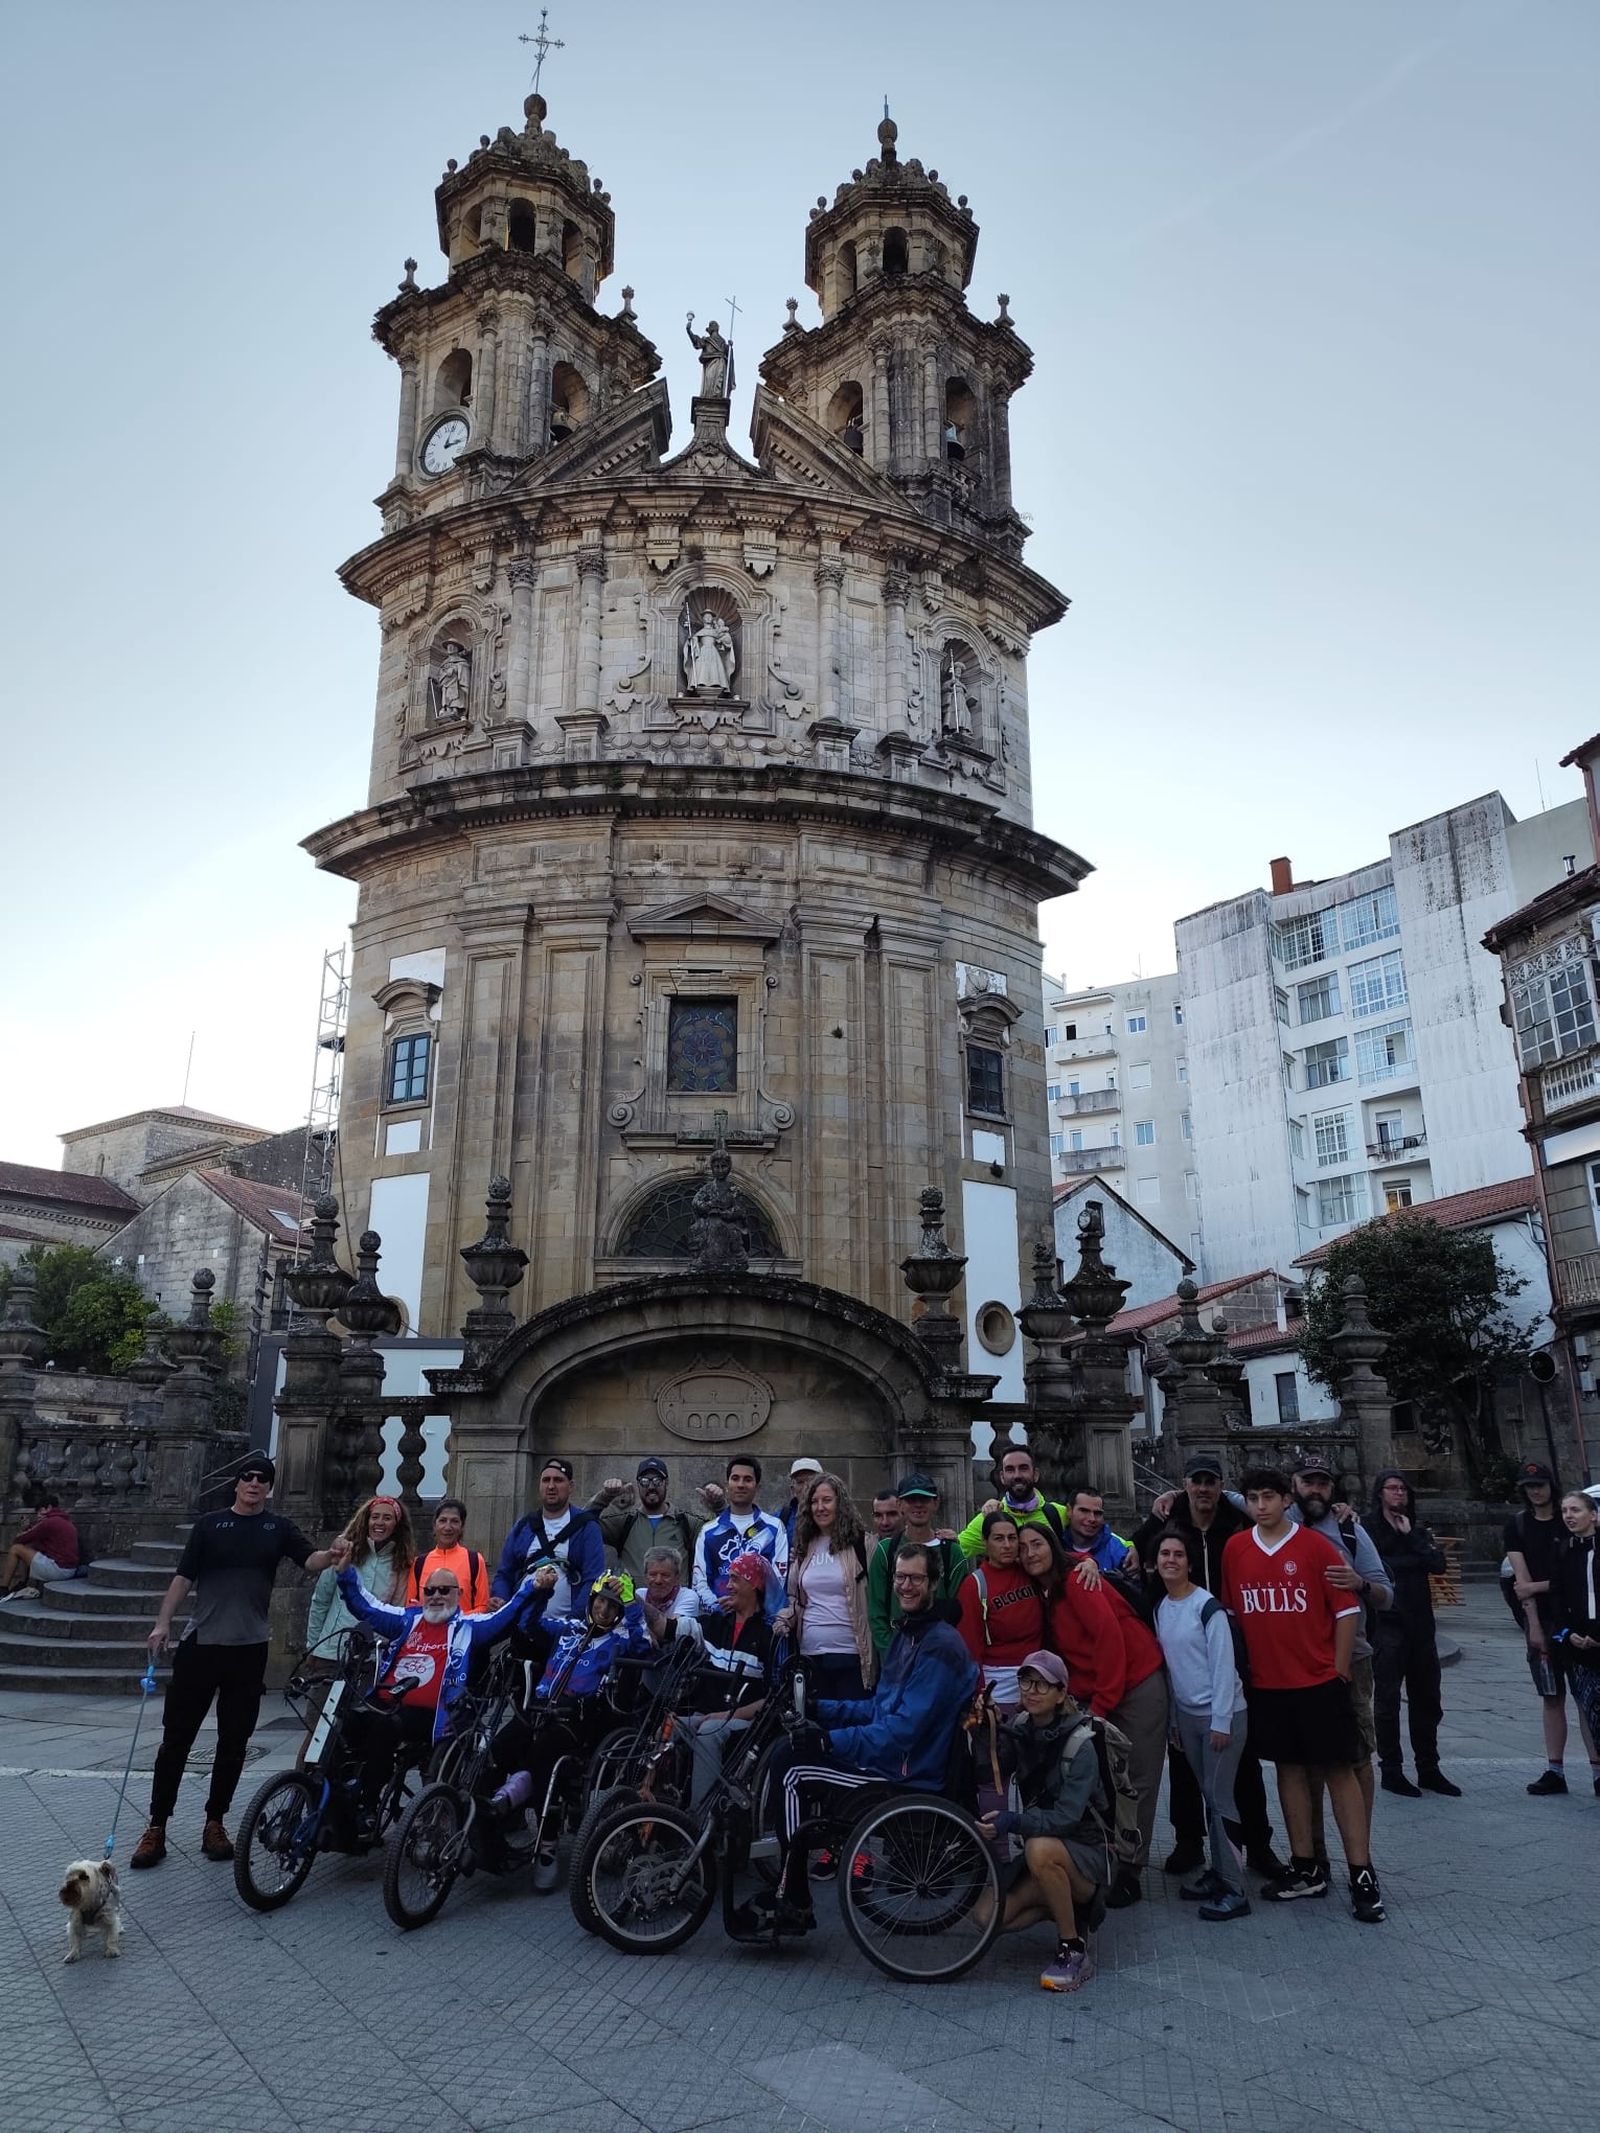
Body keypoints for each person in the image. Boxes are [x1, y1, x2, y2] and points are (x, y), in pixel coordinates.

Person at [732, 1540, 979, 1939]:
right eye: (900, 1577)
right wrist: (819, 1708)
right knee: (792, 1752)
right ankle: (796, 1879)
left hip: (908, 1772)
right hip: (894, 1757)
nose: (906, 1586)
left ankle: (793, 1896)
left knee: (791, 1767)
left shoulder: (939, 1645)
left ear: (934, 1583)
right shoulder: (911, 1635)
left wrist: (831, 1741)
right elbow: (879, 1708)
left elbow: (902, 1730)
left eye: (916, 1578)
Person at [132, 1455, 339, 1869]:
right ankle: (156, 1826)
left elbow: (310, 1560)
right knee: (176, 1740)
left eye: (263, 1479)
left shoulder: (277, 1528)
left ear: (269, 1488)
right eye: (248, 1477)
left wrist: (332, 1555)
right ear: (236, 1483)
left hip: (248, 1649)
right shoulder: (209, 1525)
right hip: (202, 1644)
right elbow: (182, 1576)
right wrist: (162, 1623)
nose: (255, 1483)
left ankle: (215, 1822)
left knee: (233, 1742)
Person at [1220, 1467, 1384, 1924]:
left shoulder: (1315, 1546)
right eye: (1253, 1497)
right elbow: (1234, 1610)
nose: (1260, 1505)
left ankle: (1361, 1872)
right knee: (1289, 1771)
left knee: (1339, 1770)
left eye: (1268, 1496)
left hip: (1317, 1680)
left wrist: (1336, 1669)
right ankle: (1306, 1865)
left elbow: (1348, 1609)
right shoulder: (1236, 1549)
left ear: (1285, 1500)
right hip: (1269, 1682)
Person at [1133, 1455, 1284, 1880]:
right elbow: (1135, 1550)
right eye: (1196, 1481)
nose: (1203, 1489)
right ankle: (1188, 1841)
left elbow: (1272, 1507)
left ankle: (1258, 1844)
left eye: (1210, 1482)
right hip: (1181, 1642)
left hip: (1228, 1634)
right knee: (1183, 1761)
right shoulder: (1167, 1519)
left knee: (1243, 1759)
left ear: (1220, 1486)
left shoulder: (1237, 1519)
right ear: (1185, 1484)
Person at [331, 1556, 546, 1827]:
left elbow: (507, 1616)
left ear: (459, 1594)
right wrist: (345, 1572)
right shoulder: (407, 1620)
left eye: (444, 1590)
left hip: (431, 1716)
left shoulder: (468, 1627)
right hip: (384, 1703)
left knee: (384, 1726)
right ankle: (332, 1799)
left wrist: (532, 1586)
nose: (436, 1596)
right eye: (430, 1591)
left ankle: (369, 1804)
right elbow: (367, 1606)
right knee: (340, 1723)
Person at [489, 1568, 652, 1886]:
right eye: (599, 1603)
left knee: (541, 1753)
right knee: (498, 1748)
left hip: (577, 1720)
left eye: (612, 1606)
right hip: (538, 1709)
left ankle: (546, 1843)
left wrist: (631, 1603)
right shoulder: (570, 1629)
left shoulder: (618, 1641)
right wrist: (542, 1593)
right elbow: (528, 1624)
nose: (603, 1611)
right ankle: (487, 1828)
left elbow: (645, 1647)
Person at [980, 1649, 1112, 1992]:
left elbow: (1067, 1818)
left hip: (1087, 1855)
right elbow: (989, 1772)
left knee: (1038, 1848)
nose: (1031, 1691)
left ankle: (1073, 1949)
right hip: (1052, 1851)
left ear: (1061, 1693)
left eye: (1042, 1684)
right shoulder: (1021, 1726)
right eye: (1026, 1681)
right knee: (985, 1918)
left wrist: (1014, 1822)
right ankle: (1063, 1906)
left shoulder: (1081, 1744)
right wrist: (988, 1730)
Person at [1287, 1458, 1393, 1861]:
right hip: (1297, 1659)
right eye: (1308, 1482)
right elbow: (1233, 1494)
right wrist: (1173, 1497)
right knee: (1303, 1760)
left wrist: (1360, 1583)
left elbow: (1386, 1593)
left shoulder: (1350, 1530)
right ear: (1293, 1485)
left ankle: (1358, 1848)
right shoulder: (1276, 1523)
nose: (1316, 1490)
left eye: (1323, 1483)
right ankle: (1313, 1852)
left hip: (1352, 1657)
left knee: (1356, 1754)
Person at [1153, 1531, 1249, 1921]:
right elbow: (1174, 1670)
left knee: (1220, 1796)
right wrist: (1175, 1719)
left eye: (1178, 1554)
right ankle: (1220, 1871)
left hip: (1221, 1715)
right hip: (1189, 1717)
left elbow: (1224, 1667)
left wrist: (1222, 1720)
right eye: (1164, 1553)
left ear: (1189, 1563)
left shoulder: (1206, 1607)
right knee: (1208, 1797)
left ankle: (1237, 1889)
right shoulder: (1161, 1606)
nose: (1171, 1560)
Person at [1505, 1460, 1600, 1796]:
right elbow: (1521, 1580)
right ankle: (1555, 1769)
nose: (1535, 1491)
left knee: (1586, 1696)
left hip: (1574, 1620)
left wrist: (1536, 1588)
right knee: (1551, 1695)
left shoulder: (1568, 1525)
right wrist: (1533, 1624)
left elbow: (1571, 1577)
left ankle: (1596, 1768)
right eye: (1530, 1486)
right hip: (1545, 1620)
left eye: (1541, 1485)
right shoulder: (1517, 1525)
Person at [1360, 1469, 1457, 1798]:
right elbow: (1377, 1569)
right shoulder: (1368, 1529)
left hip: (1421, 1624)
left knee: (1428, 1698)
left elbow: (1437, 1564)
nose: (1399, 1494)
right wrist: (1412, 1559)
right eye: (1392, 1488)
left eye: (1403, 1489)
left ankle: (1429, 1768)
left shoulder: (1415, 1529)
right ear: (1380, 1493)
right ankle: (1391, 1769)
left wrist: (1413, 1539)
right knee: (1387, 1700)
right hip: (1388, 1623)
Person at [689, 1551, 778, 1808]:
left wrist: (723, 1717)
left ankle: (698, 1818)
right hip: (708, 1714)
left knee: (707, 1731)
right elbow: (668, 1626)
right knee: (671, 1726)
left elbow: (772, 1699)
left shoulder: (770, 1633)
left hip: (747, 1724)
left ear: (755, 1584)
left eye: (735, 1579)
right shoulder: (718, 1622)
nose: (728, 1586)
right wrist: (635, 1605)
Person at [776, 1472, 877, 1700]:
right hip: (810, 1655)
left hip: (852, 1656)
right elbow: (795, 1598)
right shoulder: (803, 1547)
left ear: (840, 1503)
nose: (820, 1507)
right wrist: (784, 1619)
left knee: (848, 1728)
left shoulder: (864, 1544)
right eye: (814, 1501)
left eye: (827, 1500)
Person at [1019, 1522, 1126, 1720]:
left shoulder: (1077, 1580)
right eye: (1022, 1548)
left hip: (1132, 1683)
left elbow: (1108, 1637)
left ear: (1052, 1546)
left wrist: (1100, 1705)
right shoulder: (1041, 1590)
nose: (1030, 1553)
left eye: (1037, 1544)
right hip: (1094, 1690)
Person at [866, 1471, 968, 1653]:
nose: (918, 1505)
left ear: (936, 1503)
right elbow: (877, 1613)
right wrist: (892, 1654)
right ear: (900, 1505)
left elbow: (959, 1611)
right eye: (911, 1499)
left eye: (925, 1499)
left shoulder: (952, 1553)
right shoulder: (885, 1551)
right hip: (897, 1656)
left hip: (939, 1655)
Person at [492, 1457, 605, 1618]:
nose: (551, 1486)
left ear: (571, 1486)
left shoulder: (586, 1527)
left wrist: (575, 1621)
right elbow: (504, 1573)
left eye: (558, 1480)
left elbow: (593, 1578)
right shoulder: (524, 1526)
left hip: (565, 1629)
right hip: (520, 1626)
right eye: (546, 1480)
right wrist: (500, 1598)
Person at [955, 1510, 1045, 1709]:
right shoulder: (975, 1585)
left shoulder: (1031, 1569)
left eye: (1012, 1538)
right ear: (985, 1542)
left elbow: (1060, 1558)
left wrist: (1087, 1561)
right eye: (999, 1538)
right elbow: (970, 1646)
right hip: (999, 1684)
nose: (1007, 1545)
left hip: (1040, 1675)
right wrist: (979, 1692)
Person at [305, 1494, 414, 1652]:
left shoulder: (401, 1561)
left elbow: (396, 1612)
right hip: (331, 1651)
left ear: (397, 1524)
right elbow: (321, 1600)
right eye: (375, 1517)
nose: (379, 1523)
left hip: (371, 1655)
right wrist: (313, 1646)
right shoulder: (343, 1550)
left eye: (387, 1518)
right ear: (366, 1520)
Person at [589, 1457, 717, 1584]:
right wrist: (604, 1496)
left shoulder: (687, 1523)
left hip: (677, 1603)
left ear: (666, 1483)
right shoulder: (624, 1523)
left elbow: (726, 1534)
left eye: (657, 1481)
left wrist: (719, 1506)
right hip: (634, 1602)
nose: (651, 1486)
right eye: (644, 1481)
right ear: (638, 1484)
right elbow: (581, 1525)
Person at [693, 1455, 787, 1608]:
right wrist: (718, 1609)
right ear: (727, 1484)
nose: (741, 1485)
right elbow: (700, 1581)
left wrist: (758, 1611)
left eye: (748, 1479)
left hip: (758, 1622)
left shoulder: (774, 1528)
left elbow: (779, 1579)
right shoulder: (708, 1531)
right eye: (735, 1478)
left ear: (757, 1486)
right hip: (720, 1621)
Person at [1550, 1490, 1600, 1768]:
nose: (1569, 1515)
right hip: (1580, 1648)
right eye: (1565, 1510)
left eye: (1576, 1510)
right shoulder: (1564, 1553)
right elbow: (1555, 1603)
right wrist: (1566, 1635)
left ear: (1593, 1515)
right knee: (1593, 1716)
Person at [957, 1445, 1072, 1559]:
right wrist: (948, 1540)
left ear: (1035, 1475)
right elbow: (955, 1552)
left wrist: (1089, 1562)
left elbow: (1086, 1544)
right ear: (1002, 1477)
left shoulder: (1058, 1513)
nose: (1017, 1475)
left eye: (1023, 1468)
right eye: (1010, 1469)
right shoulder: (989, 1518)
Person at [407, 1498, 491, 1613]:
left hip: (462, 1628)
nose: (447, 1527)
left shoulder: (475, 1560)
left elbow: (483, 1606)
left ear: (462, 1527)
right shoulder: (419, 1563)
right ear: (434, 1525)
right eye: (443, 1520)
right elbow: (411, 1606)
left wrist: (453, 1621)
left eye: (454, 1521)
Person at [1, 1493, 81, 1597]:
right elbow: (37, 1541)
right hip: (69, 1569)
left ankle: (3, 1588)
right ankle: (22, 1582)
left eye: (40, 1511)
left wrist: (24, 1528)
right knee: (28, 1548)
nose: (38, 1515)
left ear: (49, 1507)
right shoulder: (64, 1520)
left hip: (58, 1570)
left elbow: (20, 1539)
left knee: (16, 1549)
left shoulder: (49, 1522)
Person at [639, 1544, 702, 1635]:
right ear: (645, 1576)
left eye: (665, 1575)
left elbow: (671, 1633)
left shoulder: (688, 1597)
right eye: (653, 1574)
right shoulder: (639, 1594)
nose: (658, 1580)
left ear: (677, 1578)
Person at [781, 1456, 825, 1547]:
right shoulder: (779, 1520)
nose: (806, 1487)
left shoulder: (835, 1517)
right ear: (793, 1489)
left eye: (811, 1480)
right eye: (800, 1482)